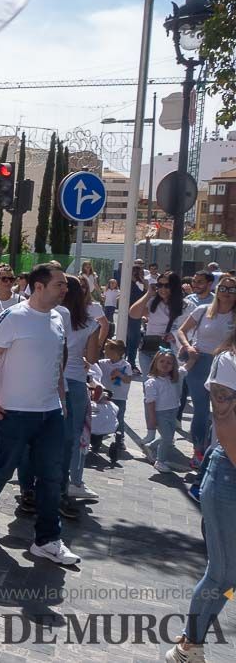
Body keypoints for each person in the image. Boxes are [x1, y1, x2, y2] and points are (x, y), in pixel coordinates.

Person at [0, 263, 81, 565]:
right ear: (39, 287)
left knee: (51, 475)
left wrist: (62, 399)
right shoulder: (13, 317)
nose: (65, 288)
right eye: (59, 284)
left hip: (50, 412)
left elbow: (57, 363)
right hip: (14, 411)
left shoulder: (59, 319)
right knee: (5, 466)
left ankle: (47, 539)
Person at [163, 331, 236, 663]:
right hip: (228, 476)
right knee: (222, 572)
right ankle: (187, 648)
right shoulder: (229, 361)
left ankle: (191, 643)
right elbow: (223, 421)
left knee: (230, 573)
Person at [176, 274, 235, 468]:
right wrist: (188, 346)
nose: (227, 293)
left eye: (232, 290)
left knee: (223, 411)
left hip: (225, 366)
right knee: (201, 410)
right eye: (223, 289)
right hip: (200, 361)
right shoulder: (203, 310)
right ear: (218, 290)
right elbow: (182, 330)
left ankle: (218, 448)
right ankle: (198, 450)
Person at [58, 275, 102, 504]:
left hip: (50, 379)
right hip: (75, 380)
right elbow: (93, 357)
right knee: (75, 436)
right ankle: (74, 481)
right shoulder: (89, 323)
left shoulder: (51, 315)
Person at [141, 348, 186, 473]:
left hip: (173, 411)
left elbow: (186, 368)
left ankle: (151, 446)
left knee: (169, 436)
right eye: (162, 361)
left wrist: (192, 357)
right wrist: (152, 419)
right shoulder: (152, 382)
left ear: (173, 365)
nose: (165, 365)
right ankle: (160, 461)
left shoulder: (172, 379)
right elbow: (150, 403)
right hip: (160, 414)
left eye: (169, 363)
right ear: (155, 362)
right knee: (167, 438)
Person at [97, 339, 135, 463]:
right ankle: (98, 436)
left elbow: (128, 379)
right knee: (102, 415)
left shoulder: (125, 365)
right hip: (105, 395)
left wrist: (120, 374)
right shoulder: (103, 363)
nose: (104, 351)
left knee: (119, 417)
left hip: (119, 396)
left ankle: (120, 439)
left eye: (107, 349)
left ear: (116, 352)